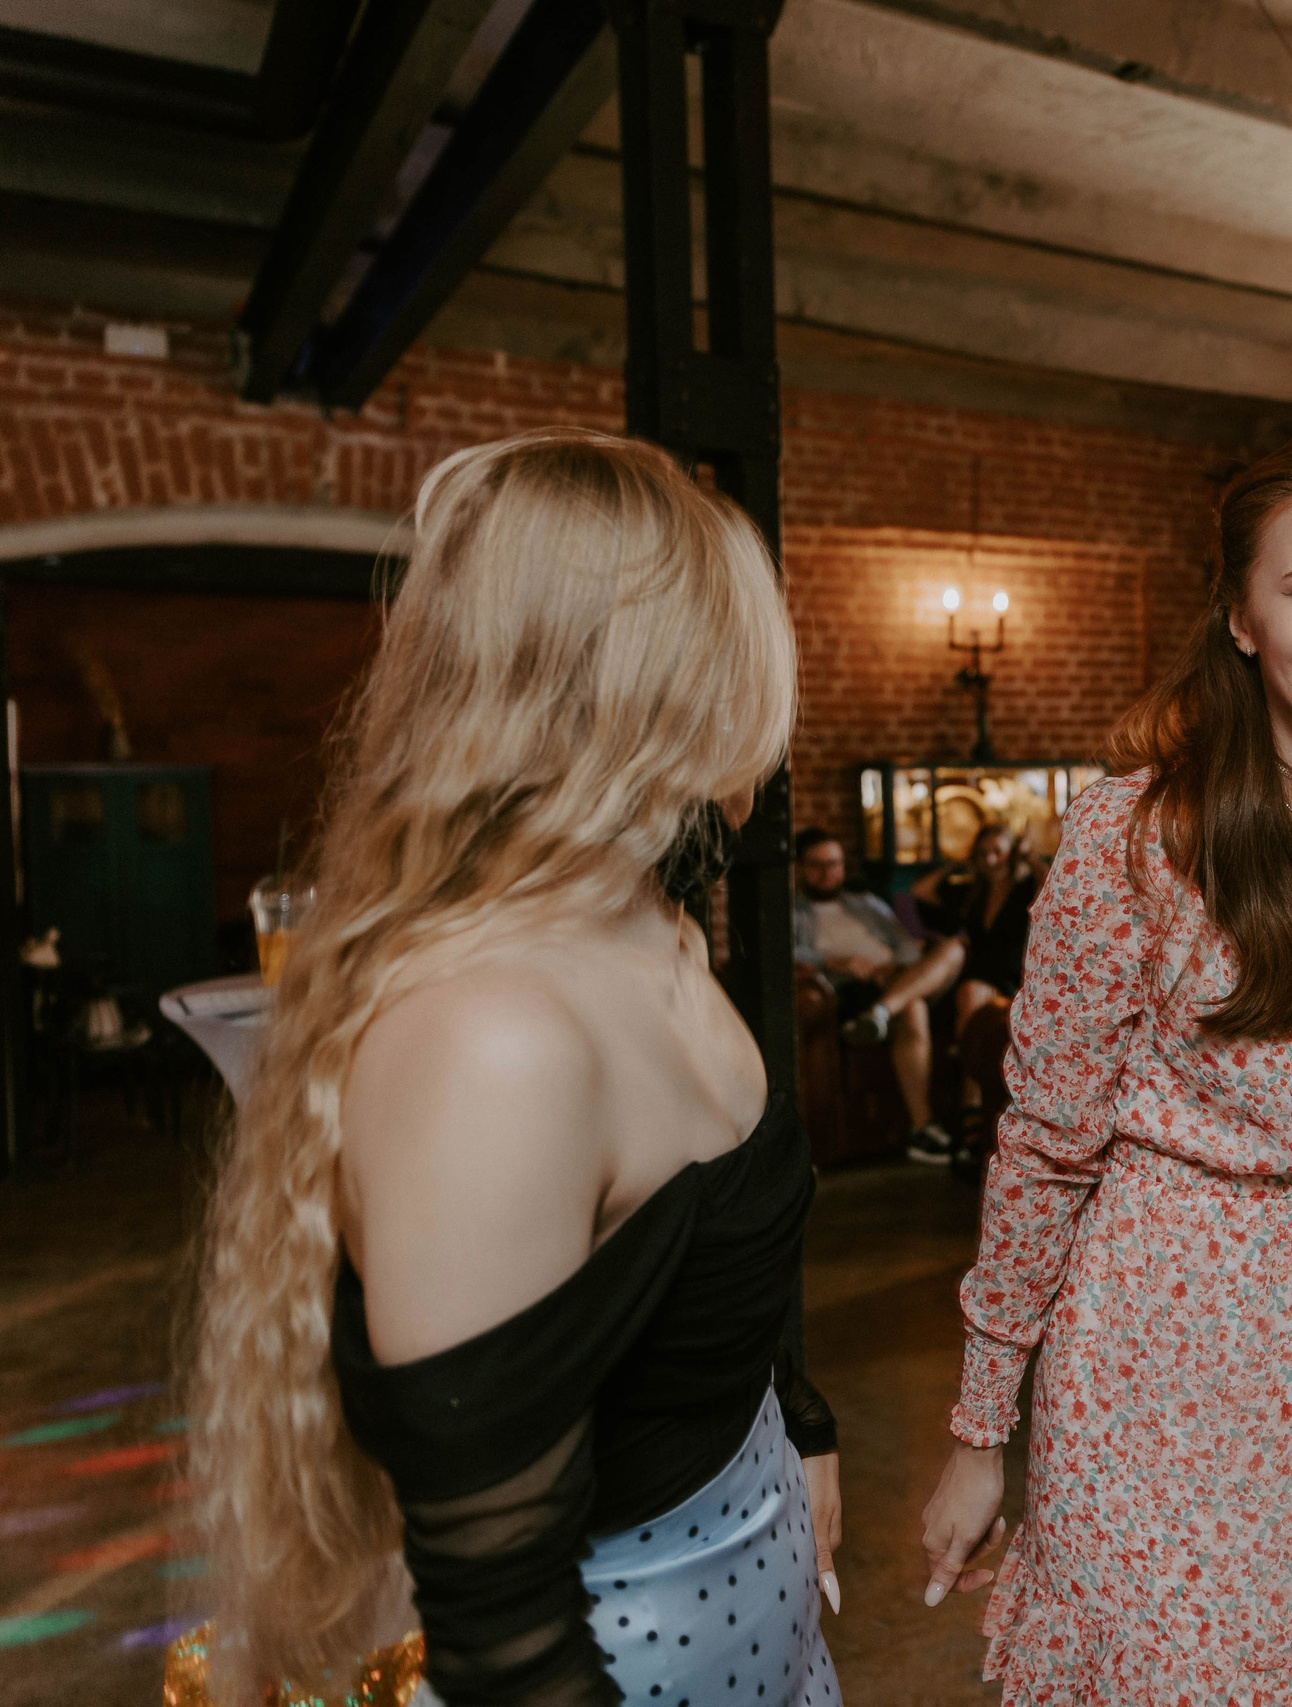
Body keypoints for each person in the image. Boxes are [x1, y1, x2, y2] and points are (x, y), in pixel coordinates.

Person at [181, 429, 844, 1707]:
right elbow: (502, 1639)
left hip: (761, 1631)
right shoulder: (494, 1037)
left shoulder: (656, 914)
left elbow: (698, 1269)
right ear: (641, 679)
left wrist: (791, 1427)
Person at [915, 432, 1292, 1705]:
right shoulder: (1137, 838)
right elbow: (1046, 1142)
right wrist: (979, 1433)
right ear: (1240, 617)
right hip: (1162, 1359)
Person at [793, 825, 965, 1163]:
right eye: (818, 865)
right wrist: (834, 960)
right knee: (913, 1007)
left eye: (835, 863)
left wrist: (894, 966)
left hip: (897, 977)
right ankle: (923, 1128)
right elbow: (783, 951)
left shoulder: (865, 903)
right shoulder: (793, 913)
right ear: (799, 868)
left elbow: (904, 942)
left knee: (952, 949)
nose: (829, 873)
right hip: (856, 990)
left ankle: (884, 1011)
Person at [910, 820, 1045, 1041]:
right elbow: (920, 890)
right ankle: (967, 1066)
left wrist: (1028, 857)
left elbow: (1053, 882)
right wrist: (958, 863)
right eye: (982, 854)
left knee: (970, 993)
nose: (990, 860)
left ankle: (968, 1066)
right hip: (976, 972)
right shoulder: (972, 894)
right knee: (965, 991)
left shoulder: (1025, 890)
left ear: (1011, 854)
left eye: (997, 852)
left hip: (1011, 978)